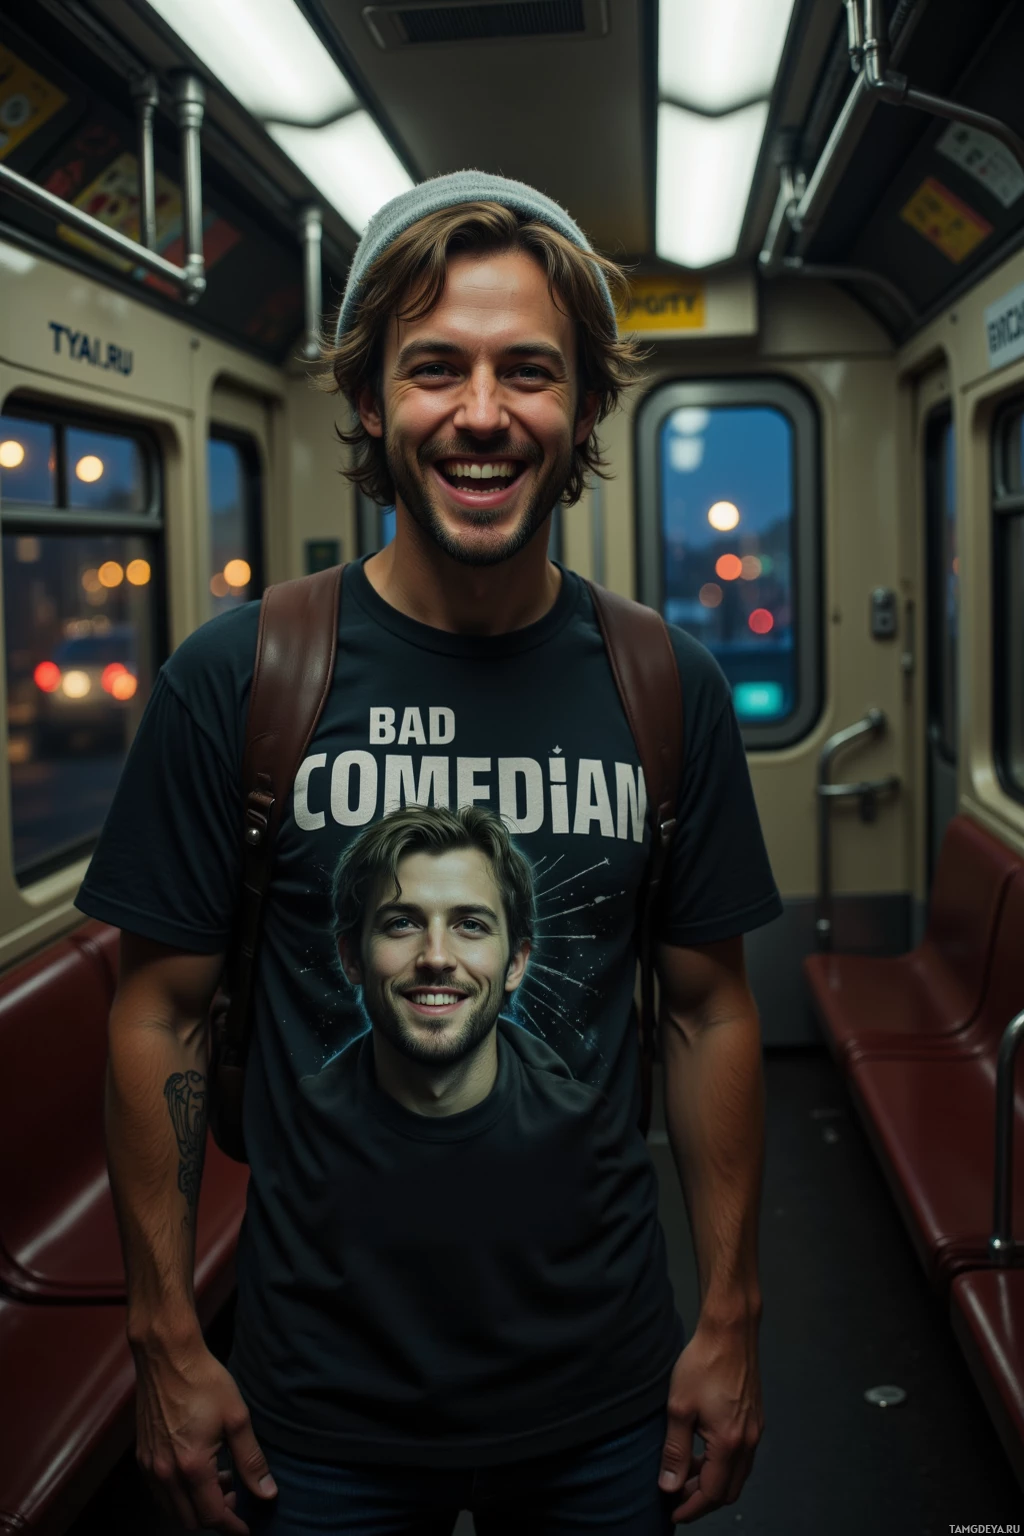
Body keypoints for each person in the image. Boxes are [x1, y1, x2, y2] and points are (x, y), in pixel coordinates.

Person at [79, 170, 782, 1535]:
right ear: (367, 403)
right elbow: (158, 1013)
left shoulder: (663, 684)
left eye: (529, 371)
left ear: (581, 412)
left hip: (604, 1394)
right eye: (433, 369)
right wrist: (166, 1339)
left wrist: (735, 1317)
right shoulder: (243, 680)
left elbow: (706, 1009)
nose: (480, 413)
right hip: (317, 1410)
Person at [233, 801, 683, 1531]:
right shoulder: (301, 1124)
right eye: (401, 922)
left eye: (471, 924)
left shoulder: (582, 1122)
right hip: (331, 1443)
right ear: (351, 957)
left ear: (516, 963)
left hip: (592, 1433)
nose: (435, 954)